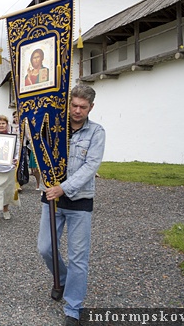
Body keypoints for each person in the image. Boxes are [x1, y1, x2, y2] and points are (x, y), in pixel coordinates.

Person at [37, 84, 105, 326]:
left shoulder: (96, 132)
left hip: (79, 201)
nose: (77, 111)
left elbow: (91, 166)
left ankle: (73, 308)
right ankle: (63, 279)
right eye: (74, 105)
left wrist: (63, 187)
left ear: (91, 107)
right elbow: (39, 149)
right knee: (45, 248)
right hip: (52, 200)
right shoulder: (54, 128)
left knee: (78, 257)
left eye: (83, 107)